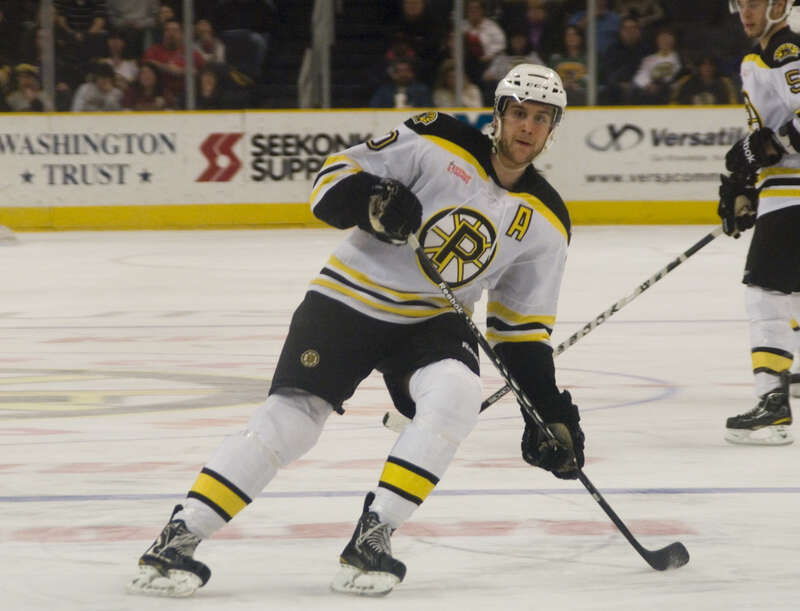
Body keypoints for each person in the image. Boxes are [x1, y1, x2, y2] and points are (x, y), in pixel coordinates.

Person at [127, 63, 585, 598]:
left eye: (541, 118)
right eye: (519, 113)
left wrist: (548, 413)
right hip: (349, 296)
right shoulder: (436, 136)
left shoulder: (548, 221)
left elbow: (521, 332)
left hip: (432, 318)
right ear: (499, 114)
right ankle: (179, 536)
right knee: (294, 420)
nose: (527, 127)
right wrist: (372, 202)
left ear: (554, 128)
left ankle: (374, 535)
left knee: (457, 393)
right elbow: (331, 180)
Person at [717, 0, 800, 445]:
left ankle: (773, 404)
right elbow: (775, 131)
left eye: (755, 1)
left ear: (782, 4)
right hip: (784, 191)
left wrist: (760, 153)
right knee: (789, 288)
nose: (745, 11)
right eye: (741, 2)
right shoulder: (763, 54)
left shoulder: (785, 50)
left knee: (766, 290)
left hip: (795, 192)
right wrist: (746, 177)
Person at [631, 25, 682, 105]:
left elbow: (679, 75)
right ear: (657, 40)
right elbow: (640, 76)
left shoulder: (679, 58)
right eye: (662, 37)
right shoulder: (649, 59)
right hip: (649, 91)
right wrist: (648, 85)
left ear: (673, 40)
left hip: (668, 90)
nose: (665, 40)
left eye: (668, 37)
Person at [670, 54, 738, 105]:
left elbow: (732, 103)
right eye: (704, 65)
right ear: (699, 67)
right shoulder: (687, 81)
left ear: (715, 67)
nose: (707, 68)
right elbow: (674, 102)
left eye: (710, 65)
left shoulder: (724, 83)